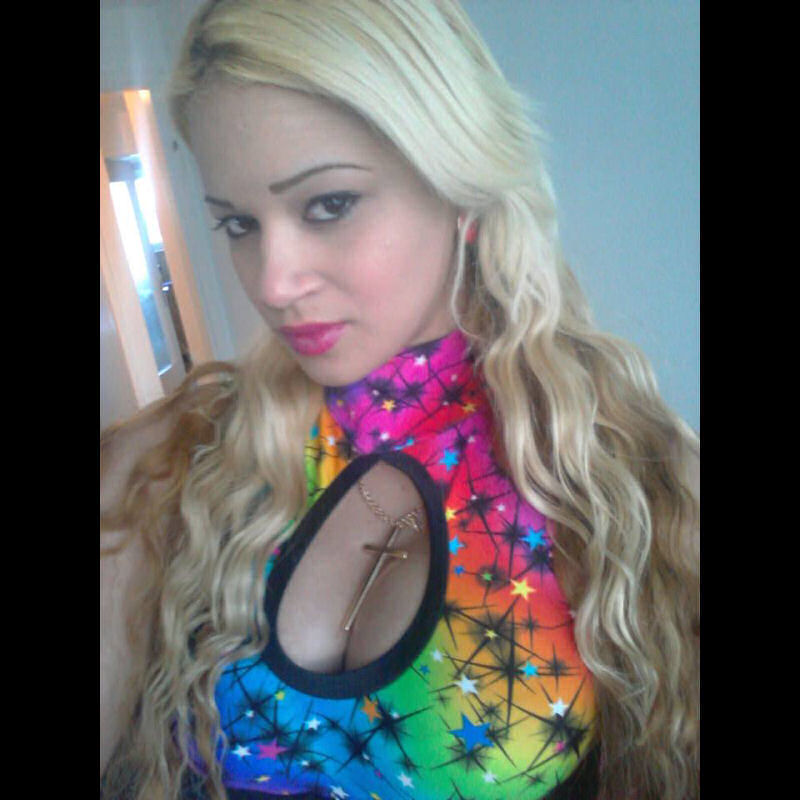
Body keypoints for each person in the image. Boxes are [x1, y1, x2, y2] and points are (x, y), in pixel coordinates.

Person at [100, 1, 699, 798]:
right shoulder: (175, 461)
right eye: (239, 224)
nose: (273, 283)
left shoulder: (625, 478)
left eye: (329, 204)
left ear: (462, 190)